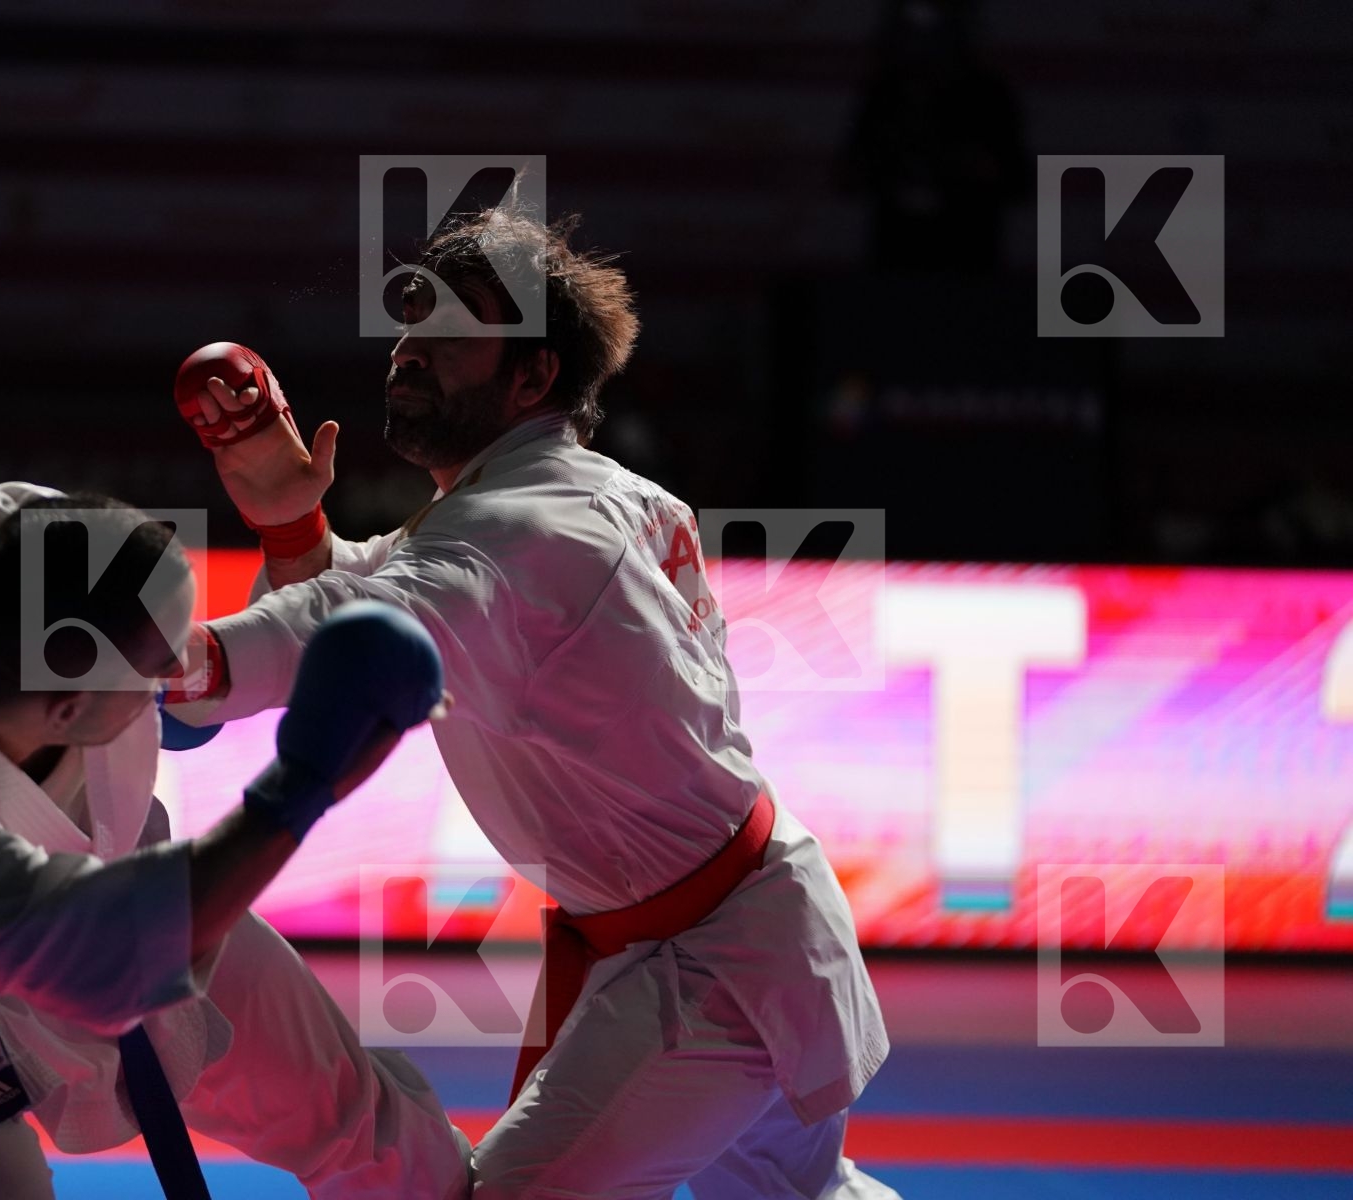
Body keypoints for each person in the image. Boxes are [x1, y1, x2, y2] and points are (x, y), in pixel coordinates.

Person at [171, 209, 900, 1198]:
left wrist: (154, 664)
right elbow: (383, 589)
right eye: (409, 327)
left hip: (715, 968)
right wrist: (291, 520)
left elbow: (355, 619)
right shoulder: (589, 500)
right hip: (742, 927)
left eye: (448, 336)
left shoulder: (521, 530)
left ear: (532, 376)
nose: (410, 353)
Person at [0, 483, 473, 1199]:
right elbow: (109, 963)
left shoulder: (16, 541)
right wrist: (304, 785)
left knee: (347, 1111)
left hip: (77, 860)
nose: (178, 671)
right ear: (67, 709)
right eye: (156, 671)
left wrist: (288, 542)